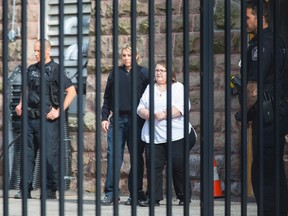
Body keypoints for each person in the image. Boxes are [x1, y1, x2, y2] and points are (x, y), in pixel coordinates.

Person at [241, 1, 288, 215]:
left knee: (263, 169)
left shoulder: (261, 45)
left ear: (261, 18)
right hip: (276, 111)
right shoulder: (277, 40)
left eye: (248, 17)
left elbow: (253, 88)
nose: (245, 21)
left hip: (266, 113)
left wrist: (245, 113)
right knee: (274, 168)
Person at [14, 39, 77, 199]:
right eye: (34, 51)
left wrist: (58, 111)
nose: (35, 54)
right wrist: (20, 105)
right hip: (30, 118)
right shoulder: (31, 69)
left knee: (50, 155)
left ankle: (49, 191)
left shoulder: (55, 69)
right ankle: (25, 189)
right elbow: (26, 89)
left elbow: (71, 91)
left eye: (38, 51)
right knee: (27, 155)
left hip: (48, 119)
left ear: (47, 51)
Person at [137, 60, 197, 207]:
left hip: (178, 134)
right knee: (153, 167)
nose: (159, 73)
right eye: (157, 70)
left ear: (170, 74)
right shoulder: (150, 88)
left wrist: (164, 114)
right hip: (154, 136)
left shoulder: (177, 87)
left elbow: (183, 106)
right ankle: (154, 198)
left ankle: (184, 196)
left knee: (177, 165)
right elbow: (140, 108)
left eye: (162, 71)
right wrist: (149, 114)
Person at [100, 43, 149, 205]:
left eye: (129, 55)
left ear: (136, 56)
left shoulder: (144, 73)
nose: (126, 58)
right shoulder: (115, 73)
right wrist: (104, 117)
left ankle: (135, 193)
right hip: (117, 120)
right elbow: (107, 97)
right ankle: (111, 193)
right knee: (114, 156)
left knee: (136, 157)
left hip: (137, 121)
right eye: (124, 55)